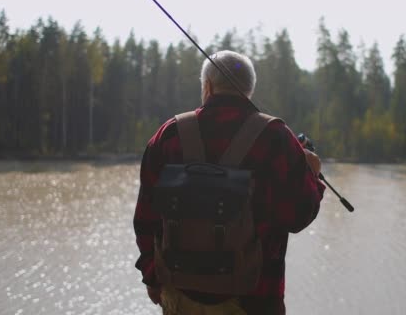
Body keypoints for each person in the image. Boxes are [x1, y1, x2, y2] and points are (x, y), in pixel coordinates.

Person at [133, 50, 325, 315]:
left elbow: (145, 217)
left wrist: (153, 278)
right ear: (248, 90)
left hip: (180, 296)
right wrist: (313, 174)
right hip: (256, 300)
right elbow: (299, 216)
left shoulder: (169, 134)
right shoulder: (277, 138)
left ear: (208, 86)